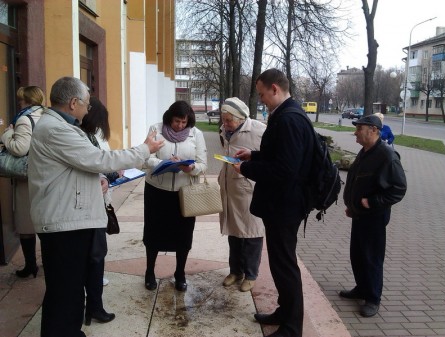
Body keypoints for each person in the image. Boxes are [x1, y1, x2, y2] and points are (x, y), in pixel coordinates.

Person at [27, 76, 164, 337]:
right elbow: (99, 158)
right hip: (63, 223)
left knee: (70, 288)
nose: (89, 109)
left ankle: (70, 330)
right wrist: (144, 149)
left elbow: (75, 168)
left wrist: (100, 178)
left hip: (68, 218)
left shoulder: (63, 126)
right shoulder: (57, 129)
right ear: (73, 102)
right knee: (64, 291)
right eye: (87, 104)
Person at [233, 68, 315, 337]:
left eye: (262, 94)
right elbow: (280, 156)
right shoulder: (285, 115)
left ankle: (292, 328)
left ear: (275, 89)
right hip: (281, 205)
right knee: (281, 264)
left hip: (285, 207)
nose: (261, 100)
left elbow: (285, 170)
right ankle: (284, 312)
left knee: (285, 266)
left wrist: (247, 170)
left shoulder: (289, 120)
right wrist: (254, 157)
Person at [340, 115, 407, 317]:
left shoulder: (387, 156)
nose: (355, 132)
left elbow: (399, 188)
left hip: (374, 217)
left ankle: (373, 298)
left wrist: (372, 202)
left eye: (359, 128)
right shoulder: (365, 152)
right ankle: (361, 288)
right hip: (360, 215)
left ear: (374, 130)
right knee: (358, 255)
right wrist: (353, 205)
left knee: (372, 258)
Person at [143, 100, 207, 292]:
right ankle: (149, 272)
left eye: (184, 122)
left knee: (183, 236)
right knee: (153, 233)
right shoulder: (155, 129)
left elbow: (203, 164)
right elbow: (145, 158)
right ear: (169, 118)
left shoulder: (197, 134)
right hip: (157, 191)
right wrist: (162, 163)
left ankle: (180, 273)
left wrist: (191, 168)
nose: (180, 125)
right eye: (176, 121)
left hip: (184, 193)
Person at [80, 96, 122, 326]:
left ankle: (94, 306)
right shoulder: (78, 136)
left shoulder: (90, 136)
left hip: (95, 204)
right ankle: (92, 307)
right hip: (84, 208)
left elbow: (101, 166)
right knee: (94, 257)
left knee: (96, 256)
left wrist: (106, 177)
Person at [218, 97, 266, 292]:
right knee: (234, 232)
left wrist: (249, 167)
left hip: (249, 189)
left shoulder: (259, 130)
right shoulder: (224, 130)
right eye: (224, 119)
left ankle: (251, 274)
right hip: (230, 187)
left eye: (229, 120)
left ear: (240, 118)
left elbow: (271, 157)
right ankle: (235, 271)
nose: (225, 123)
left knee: (252, 233)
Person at [1, 86, 45, 278]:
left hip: (27, 178)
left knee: (26, 225)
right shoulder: (45, 116)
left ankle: (30, 266)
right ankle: (47, 263)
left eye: (21, 99)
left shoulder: (25, 119)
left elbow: (19, 148)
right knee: (44, 222)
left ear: (27, 100)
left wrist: (7, 134)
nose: (19, 102)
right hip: (44, 175)